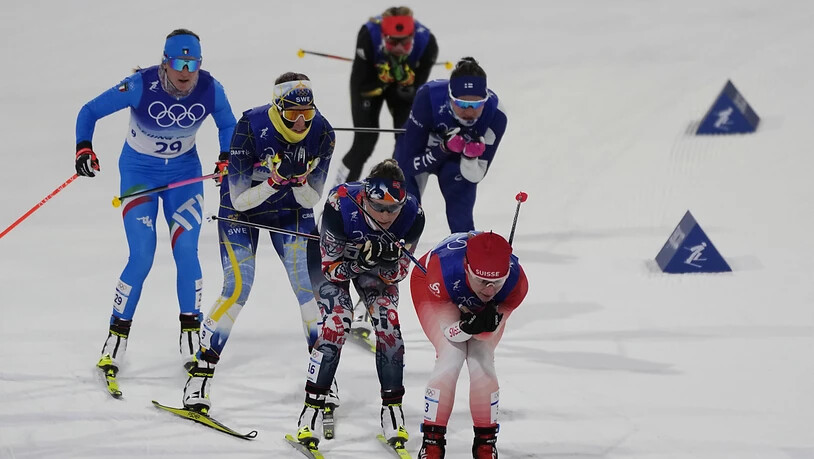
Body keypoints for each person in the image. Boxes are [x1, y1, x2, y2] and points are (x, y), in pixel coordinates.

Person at [75, 29, 236, 394]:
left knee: (186, 251)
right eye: (179, 63)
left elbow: (228, 123)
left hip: (184, 176)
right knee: (143, 254)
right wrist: (83, 148)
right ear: (165, 62)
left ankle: (191, 336)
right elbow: (90, 111)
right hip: (140, 175)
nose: (186, 71)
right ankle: (115, 340)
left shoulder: (210, 88)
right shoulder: (139, 84)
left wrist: (226, 156)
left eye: (193, 63)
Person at [182, 73, 336, 413]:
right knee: (238, 288)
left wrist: (295, 181)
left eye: (307, 114)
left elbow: (311, 199)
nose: (300, 122)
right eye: (293, 113)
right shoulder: (250, 126)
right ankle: (201, 372)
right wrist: (275, 180)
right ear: (277, 108)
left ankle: (324, 375)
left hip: (291, 212)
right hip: (244, 212)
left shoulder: (323, 132)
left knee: (309, 291)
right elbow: (239, 200)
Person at [292, 159, 425, 453]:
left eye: (393, 209)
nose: (386, 216)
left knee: (389, 326)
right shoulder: (341, 204)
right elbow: (331, 270)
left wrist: (387, 260)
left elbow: (399, 273)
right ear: (364, 197)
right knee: (338, 321)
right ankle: (311, 409)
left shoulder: (414, 215)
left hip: (371, 267)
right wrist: (362, 261)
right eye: (378, 208)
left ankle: (392, 409)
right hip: (332, 260)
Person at [411, 231, 528, 459]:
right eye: (483, 281)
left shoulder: (517, 283)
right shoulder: (442, 270)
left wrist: (483, 326)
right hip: (433, 285)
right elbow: (451, 333)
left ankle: (485, 443)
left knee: (481, 357)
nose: (489, 290)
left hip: (463, 289)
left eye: (497, 282)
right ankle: (432, 443)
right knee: (450, 356)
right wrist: (466, 327)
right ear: (467, 268)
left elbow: (485, 336)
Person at [394, 57, 507, 233]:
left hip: (456, 159)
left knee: (461, 220)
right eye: (462, 103)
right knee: (404, 215)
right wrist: (443, 149)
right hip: (422, 149)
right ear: (450, 98)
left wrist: (470, 158)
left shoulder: (496, 115)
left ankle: (463, 258)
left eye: (477, 104)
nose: (469, 111)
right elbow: (409, 164)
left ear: (485, 100)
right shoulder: (428, 97)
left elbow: (476, 175)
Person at [332, 6, 439, 187]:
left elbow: (419, 90)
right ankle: (338, 196)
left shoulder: (427, 43)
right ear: (383, 37)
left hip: (402, 87)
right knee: (364, 142)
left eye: (404, 44)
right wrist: (381, 82)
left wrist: (408, 86)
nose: (398, 48)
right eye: (392, 42)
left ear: (413, 38)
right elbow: (361, 84)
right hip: (370, 81)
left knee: (405, 140)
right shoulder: (368, 35)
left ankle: (394, 193)